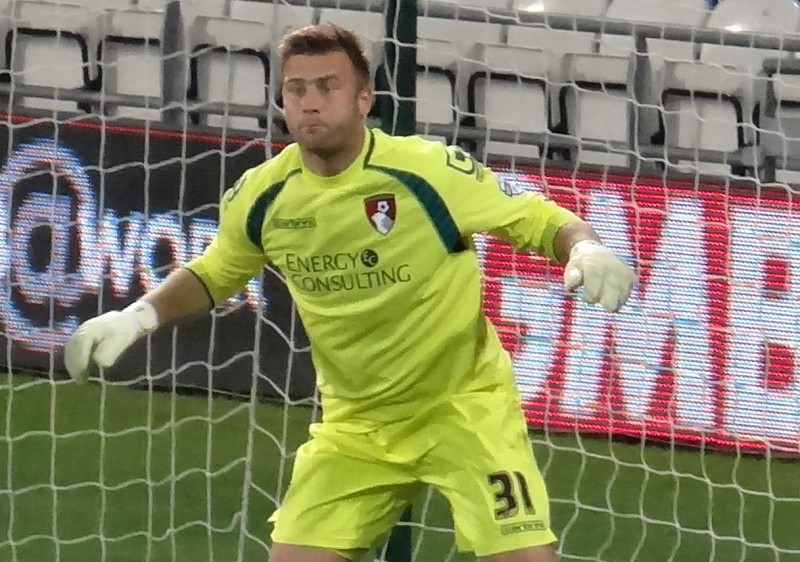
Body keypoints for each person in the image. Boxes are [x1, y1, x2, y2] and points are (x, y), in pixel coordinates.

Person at [64, 23, 635, 562]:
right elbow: (218, 271)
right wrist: (136, 318)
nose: (311, 102)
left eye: (328, 87)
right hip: (355, 425)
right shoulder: (263, 195)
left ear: (364, 99)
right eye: (297, 89)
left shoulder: (426, 171)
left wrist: (583, 248)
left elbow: (535, 219)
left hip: (463, 409)